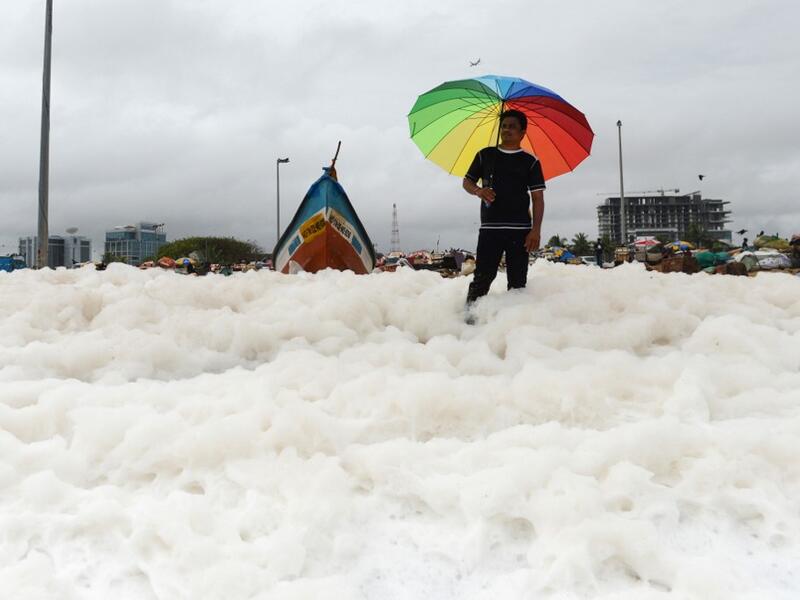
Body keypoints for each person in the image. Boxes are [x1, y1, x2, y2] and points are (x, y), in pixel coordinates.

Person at [462, 109, 545, 312]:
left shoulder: (531, 161)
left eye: (512, 126)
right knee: (483, 277)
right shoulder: (485, 155)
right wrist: (479, 191)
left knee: (517, 282)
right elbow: (467, 182)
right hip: (490, 229)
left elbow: (538, 198)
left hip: (520, 230)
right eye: (504, 126)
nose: (507, 130)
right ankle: (469, 320)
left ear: (522, 132)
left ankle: (513, 324)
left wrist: (536, 230)